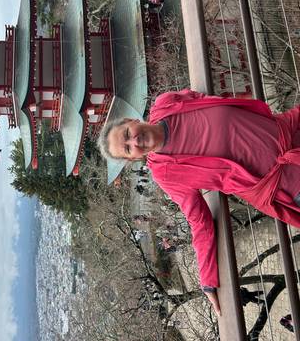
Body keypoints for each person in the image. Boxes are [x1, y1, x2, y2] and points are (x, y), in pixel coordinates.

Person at [97, 89, 300, 316]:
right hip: (286, 182)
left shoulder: (167, 104)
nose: (134, 141)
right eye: (127, 148)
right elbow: (199, 220)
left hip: (288, 129)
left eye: (127, 133)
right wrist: (207, 280)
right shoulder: (166, 173)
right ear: (132, 159)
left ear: (132, 120)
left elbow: (197, 97)